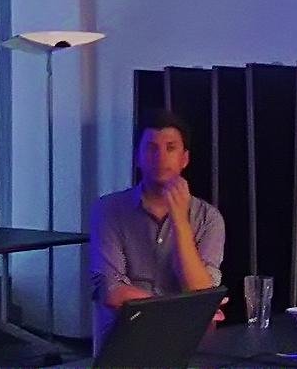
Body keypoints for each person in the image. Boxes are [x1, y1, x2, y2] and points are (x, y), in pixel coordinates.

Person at [89, 110, 225, 350]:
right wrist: (187, 309)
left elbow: (200, 291)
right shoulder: (108, 210)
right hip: (127, 337)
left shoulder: (209, 218)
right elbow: (112, 292)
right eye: (151, 148)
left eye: (170, 148)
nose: (160, 157)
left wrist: (180, 221)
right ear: (138, 157)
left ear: (184, 159)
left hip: (190, 342)